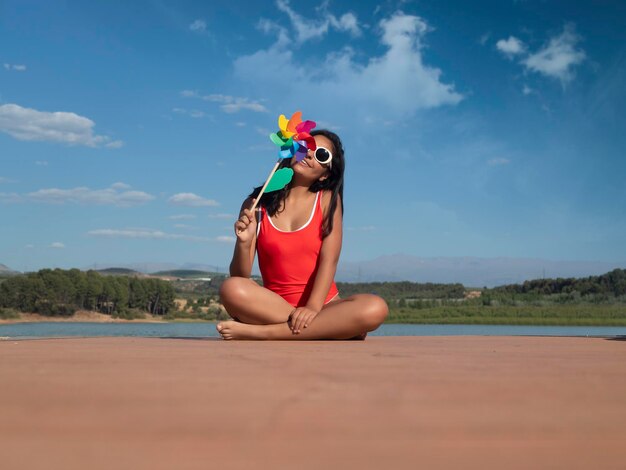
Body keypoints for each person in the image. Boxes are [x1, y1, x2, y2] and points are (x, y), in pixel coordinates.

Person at [216, 130, 388, 340]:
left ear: (325, 173)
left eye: (321, 155)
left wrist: (313, 308)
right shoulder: (255, 206)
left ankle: (265, 333)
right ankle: (330, 329)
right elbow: (241, 276)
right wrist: (243, 242)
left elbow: (329, 261)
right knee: (231, 288)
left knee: (375, 307)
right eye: (305, 147)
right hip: (274, 309)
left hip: (323, 306)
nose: (309, 154)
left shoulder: (326, 201)